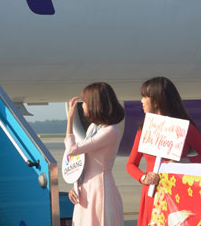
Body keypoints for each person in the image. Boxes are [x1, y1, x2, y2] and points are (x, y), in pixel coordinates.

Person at [125, 77, 201, 226]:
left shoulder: (184, 128)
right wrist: (143, 178)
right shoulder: (145, 129)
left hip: (176, 195)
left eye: (144, 96)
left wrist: (184, 162)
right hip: (151, 193)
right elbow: (131, 164)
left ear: (156, 100)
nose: (141, 101)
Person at [65, 82, 125, 226]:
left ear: (95, 104)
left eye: (85, 102)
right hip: (85, 187)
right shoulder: (93, 128)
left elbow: (72, 150)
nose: (83, 105)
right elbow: (81, 159)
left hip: (99, 189)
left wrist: (70, 119)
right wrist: (75, 185)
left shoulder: (110, 131)